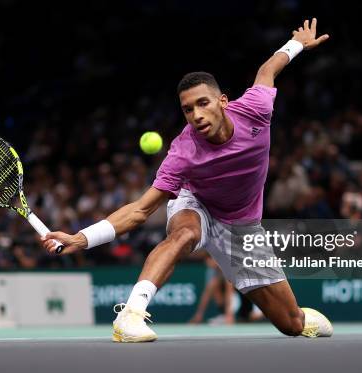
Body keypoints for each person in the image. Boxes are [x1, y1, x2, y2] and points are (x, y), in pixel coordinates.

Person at [42, 18, 333, 342]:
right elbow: (140, 210)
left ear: (223, 101)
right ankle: (131, 314)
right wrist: (81, 238)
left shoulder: (255, 108)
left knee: (291, 324)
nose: (196, 115)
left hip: (242, 225)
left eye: (203, 103)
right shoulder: (183, 152)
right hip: (198, 204)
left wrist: (297, 45)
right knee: (184, 232)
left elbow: (268, 69)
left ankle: (299, 314)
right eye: (187, 109)